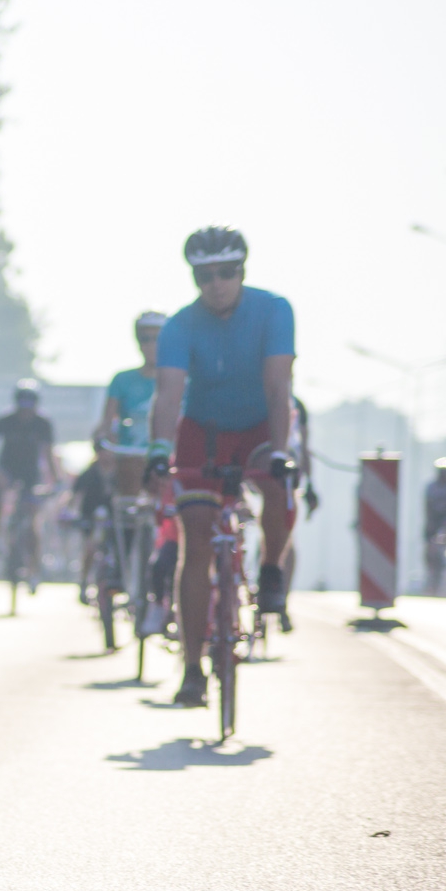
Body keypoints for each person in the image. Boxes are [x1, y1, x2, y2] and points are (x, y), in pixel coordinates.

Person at [148, 226, 296, 707]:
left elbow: (278, 387)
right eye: (205, 275)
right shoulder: (180, 325)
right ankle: (193, 671)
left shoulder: (274, 309)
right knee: (195, 543)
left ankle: (272, 571)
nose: (216, 283)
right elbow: (169, 395)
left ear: (243, 271)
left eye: (226, 272)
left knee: (276, 486)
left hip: (257, 426)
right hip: (202, 431)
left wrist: (279, 450)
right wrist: (157, 450)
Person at [0, 379, 60, 569]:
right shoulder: (4, 420)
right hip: (7, 469)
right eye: (22, 408)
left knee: (32, 520)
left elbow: (49, 454)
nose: (25, 413)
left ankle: (34, 566)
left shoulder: (43, 423)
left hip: (31, 473)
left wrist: (56, 480)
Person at [97, 312, 164, 497]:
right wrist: (102, 442)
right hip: (131, 457)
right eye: (145, 339)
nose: (151, 345)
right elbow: (106, 423)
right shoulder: (122, 380)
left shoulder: (183, 380)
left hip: (168, 459)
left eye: (157, 338)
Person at [275, 394, 317, 630]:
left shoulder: (298, 405)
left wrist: (310, 484)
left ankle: (281, 599)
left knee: (286, 536)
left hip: (286, 472)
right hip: (253, 465)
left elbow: (304, 447)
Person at [70, 442, 115, 605]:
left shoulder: (120, 473)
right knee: (90, 547)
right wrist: (69, 511)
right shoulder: (88, 473)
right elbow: (74, 495)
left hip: (114, 520)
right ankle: (84, 582)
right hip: (90, 518)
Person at [424, 458, 446, 595]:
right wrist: (429, 523)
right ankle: (430, 577)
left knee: (444, 550)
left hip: (445, 522)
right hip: (433, 522)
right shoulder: (431, 487)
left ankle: (442, 579)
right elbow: (427, 505)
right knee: (430, 551)